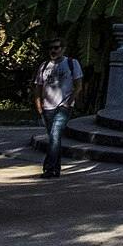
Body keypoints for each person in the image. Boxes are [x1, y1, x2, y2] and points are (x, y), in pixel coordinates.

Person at [33, 39, 83, 179]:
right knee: (54, 139)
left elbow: (78, 85)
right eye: (50, 48)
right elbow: (38, 87)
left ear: (63, 49)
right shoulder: (44, 66)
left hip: (63, 106)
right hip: (47, 107)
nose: (53, 51)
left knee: (55, 136)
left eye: (56, 48)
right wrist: (39, 105)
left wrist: (69, 102)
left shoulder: (72, 63)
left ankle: (48, 168)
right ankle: (56, 169)